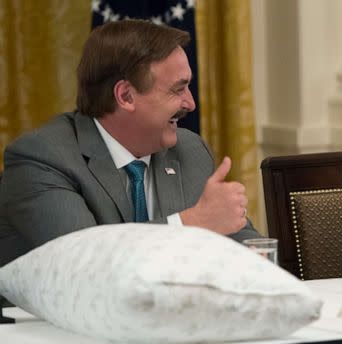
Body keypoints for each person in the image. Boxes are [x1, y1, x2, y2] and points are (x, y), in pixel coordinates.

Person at [0, 20, 260, 266]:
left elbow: (248, 248)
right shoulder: (43, 158)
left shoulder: (189, 151)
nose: (191, 103)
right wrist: (190, 224)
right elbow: (83, 261)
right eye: (178, 89)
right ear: (125, 96)